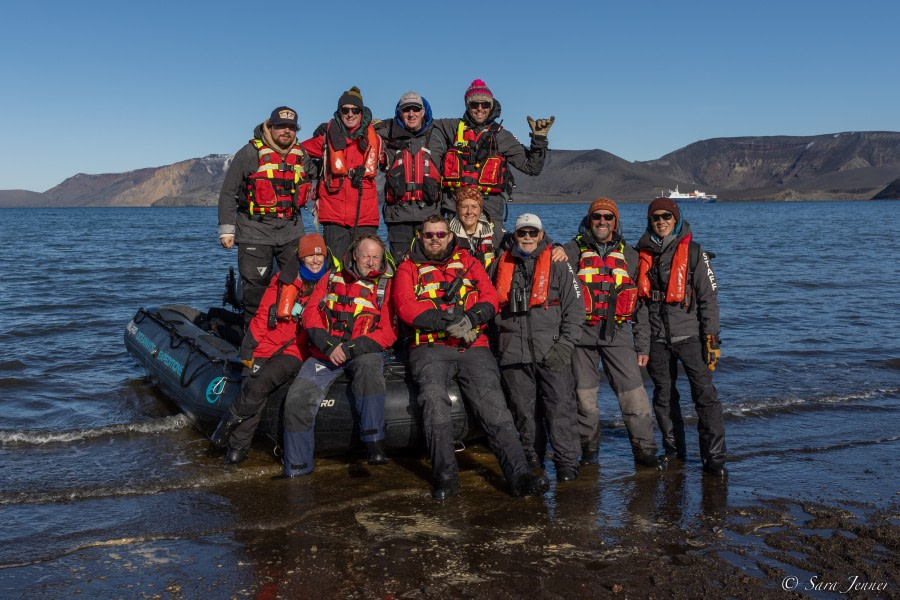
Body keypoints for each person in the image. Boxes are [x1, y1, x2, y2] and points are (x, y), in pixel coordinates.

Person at [392, 215, 549, 499]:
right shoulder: (407, 267)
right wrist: (443, 322)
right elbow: (405, 306)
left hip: (472, 344)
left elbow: (489, 297)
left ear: (450, 236)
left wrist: (471, 318)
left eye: (440, 234)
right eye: (429, 235)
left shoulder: (469, 262)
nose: (435, 239)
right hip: (429, 347)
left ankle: (519, 475)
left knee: (494, 405)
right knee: (433, 399)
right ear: (421, 236)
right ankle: (446, 477)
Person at [553, 198, 660, 468]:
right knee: (584, 401)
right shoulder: (570, 250)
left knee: (634, 397)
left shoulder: (631, 256)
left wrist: (643, 345)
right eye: (597, 217)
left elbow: (642, 305)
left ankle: (645, 452)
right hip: (581, 336)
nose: (602, 221)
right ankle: (589, 453)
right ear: (589, 220)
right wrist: (552, 247)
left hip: (619, 335)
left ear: (615, 222)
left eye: (608, 217)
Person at [281, 234, 397, 478]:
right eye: (366, 256)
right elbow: (311, 316)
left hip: (363, 350)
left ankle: (374, 443)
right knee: (297, 400)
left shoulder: (386, 285)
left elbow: (388, 332)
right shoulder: (330, 278)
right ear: (355, 255)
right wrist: (329, 346)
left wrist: (350, 349)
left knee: (368, 371)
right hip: (325, 352)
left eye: (376, 257)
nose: (371, 262)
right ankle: (298, 467)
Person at [211, 233, 330, 465]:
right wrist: (248, 348)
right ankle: (238, 448)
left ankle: (226, 426)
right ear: (301, 258)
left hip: (296, 349)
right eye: (310, 256)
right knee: (250, 383)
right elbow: (263, 315)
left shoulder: (330, 284)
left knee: (261, 381)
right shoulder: (282, 281)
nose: (315, 261)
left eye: (319, 256)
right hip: (267, 344)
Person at [634, 197, 726, 476]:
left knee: (705, 396)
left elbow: (709, 299)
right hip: (657, 339)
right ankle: (675, 452)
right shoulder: (641, 254)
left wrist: (712, 340)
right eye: (655, 217)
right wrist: (641, 342)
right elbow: (638, 304)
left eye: (666, 216)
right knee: (664, 397)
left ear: (676, 219)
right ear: (650, 222)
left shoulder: (695, 253)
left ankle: (714, 457)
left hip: (691, 337)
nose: (661, 221)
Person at [494, 213, 583, 481]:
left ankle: (567, 462)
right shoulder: (500, 262)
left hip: (552, 350)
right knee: (524, 412)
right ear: (515, 235)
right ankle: (533, 459)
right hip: (514, 353)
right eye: (523, 233)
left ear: (541, 235)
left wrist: (565, 346)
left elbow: (576, 309)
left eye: (533, 233)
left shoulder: (558, 263)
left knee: (560, 408)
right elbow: (489, 303)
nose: (528, 238)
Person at [217, 106, 316, 327]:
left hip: (291, 231)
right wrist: (226, 230)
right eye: (281, 126)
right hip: (255, 232)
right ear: (270, 127)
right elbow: (228, 192)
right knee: (255, 292)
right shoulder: (249, 153)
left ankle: (288, 334)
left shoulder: (301, 155)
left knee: (297, 284)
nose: (286, 131)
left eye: (291, 128)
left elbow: (315, 177)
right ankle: (253, 343)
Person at [434, 79, 554, 227]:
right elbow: (420, 122)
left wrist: (539, 141)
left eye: (484, 104)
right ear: (467, 106)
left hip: (489, 209)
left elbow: (532, 168)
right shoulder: (450, 127)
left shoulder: (502, 136)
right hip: (454, 208)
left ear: (491, 106)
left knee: (491, 248)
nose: (479, 108)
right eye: (474, 104)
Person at [301, 87, 383, 261]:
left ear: (362, 112)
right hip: (334, 215)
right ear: (339, 112)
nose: (350, 114)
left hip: (365, 215)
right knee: (336, 266)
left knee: (366, 265)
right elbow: (297, 151)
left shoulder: (376, 138)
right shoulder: (325, 139)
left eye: (355, 110)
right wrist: (314, 170)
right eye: (345, 110)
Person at [377, 91, 444, 259]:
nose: (411, 114)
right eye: (407, 110)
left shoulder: (439, 135)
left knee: (430, 267)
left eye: (416, 109)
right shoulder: (387, 134)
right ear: (399, 113)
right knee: (401, 268)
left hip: (430, 217)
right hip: (398, 218)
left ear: (423, 112)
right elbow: (360, 128)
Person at [447, 185, 499, 276]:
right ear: (457, 209)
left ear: (480, 210)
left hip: (487, 281)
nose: (469, 211)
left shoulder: (494, 232)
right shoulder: (447, 234)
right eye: (464, 206)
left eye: (474, 206)